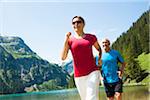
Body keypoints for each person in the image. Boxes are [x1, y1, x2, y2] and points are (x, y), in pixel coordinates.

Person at [61, 16, 102, 100]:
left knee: (92, 98)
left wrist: (100, 59)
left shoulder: (91, 37)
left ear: (83, 24)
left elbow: (99, 49)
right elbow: (63, 57)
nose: (76, 24)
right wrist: (66, 40)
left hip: (92, 72)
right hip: (79, 76)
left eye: (78, 22)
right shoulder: (70, 40)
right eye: (73, 23)